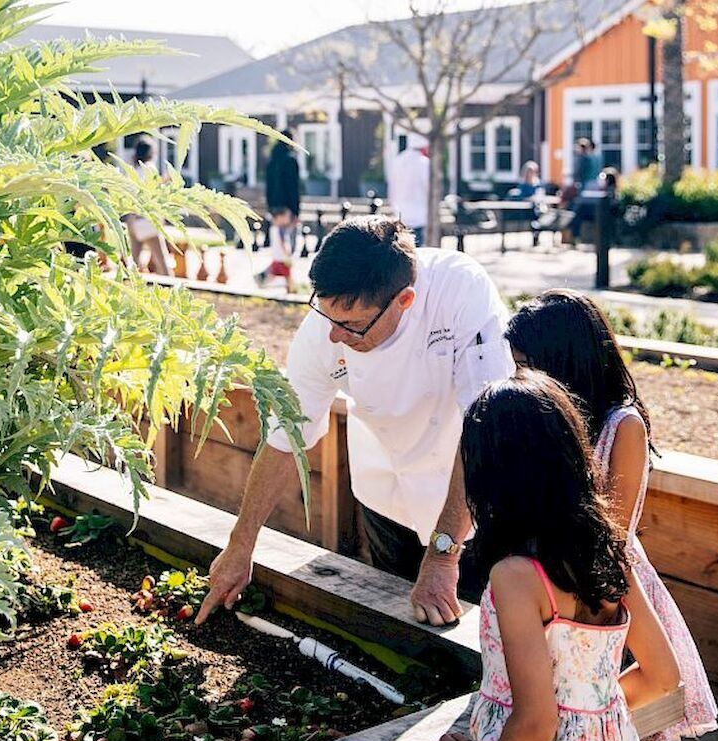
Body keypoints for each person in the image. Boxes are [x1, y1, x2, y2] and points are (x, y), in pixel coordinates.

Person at [196, 217, 515, 626]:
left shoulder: (460, 290)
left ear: (405, 300)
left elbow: (485, 428)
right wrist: (241, 544)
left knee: (473, 632)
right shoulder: (325, 328)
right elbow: (286, 438)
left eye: (351, 325)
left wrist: (442, 554)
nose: (333, 335)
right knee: (399, 624)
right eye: (325, 315)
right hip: (385, 491)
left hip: (468, 496)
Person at [505, 290, 718, 741]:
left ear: (564, 359)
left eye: (528, 366)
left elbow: (612, 530)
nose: (521, 379)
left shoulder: (622, 425)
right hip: (563, 583)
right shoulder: (553, 420)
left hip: (609, 591)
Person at [430, 370, 680, 741]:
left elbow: (535, 723)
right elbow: (663, 677)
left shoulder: (516, 577)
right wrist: (586, 713)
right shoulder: (611, 553)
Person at [126, 136, 170, 275]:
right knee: (162, 262)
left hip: (133, 220)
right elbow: (153, 193)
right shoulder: (150, 168)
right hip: (147, 220)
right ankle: (171, 291)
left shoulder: (133, 169)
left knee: (133, 263)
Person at [388, 133, 430, 246]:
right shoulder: (424, 163)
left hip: (401, 211)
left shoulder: (398, 161)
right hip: (419, 211)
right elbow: (428, 188)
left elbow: (392, 186)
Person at [266, 131, 301, 225]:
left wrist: (270, 205)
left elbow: (269, 185)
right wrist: (295, 210)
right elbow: (293, 186)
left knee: (277, 236)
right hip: (287, 206)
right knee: (288, 237)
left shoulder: (272, 161)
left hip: (274, 205)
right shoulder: (290, 160)